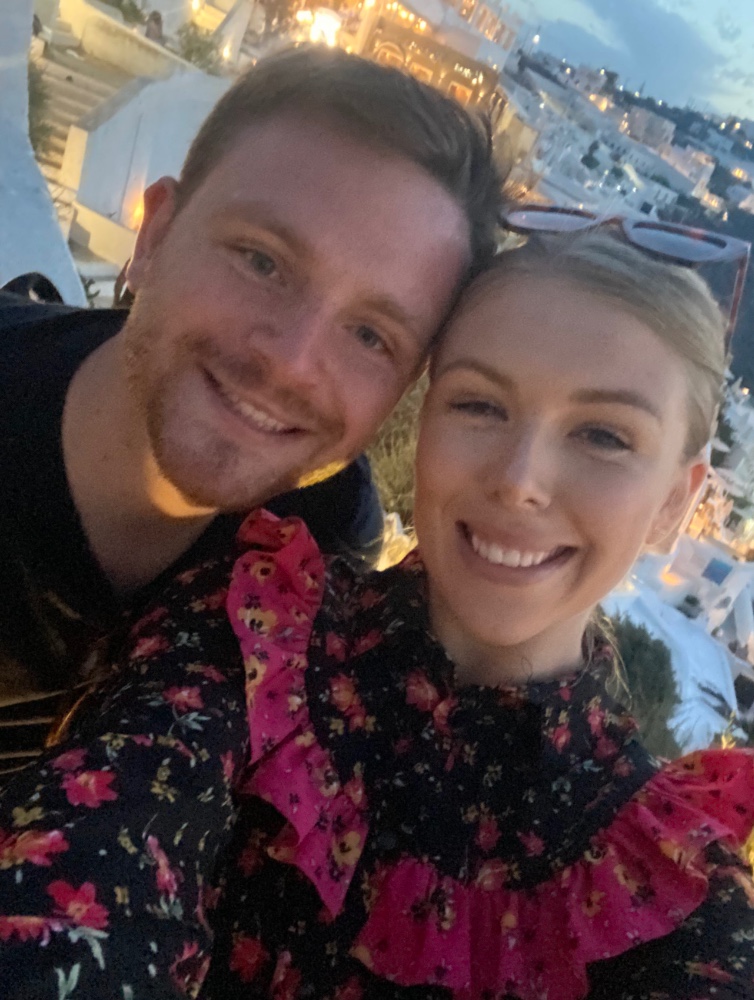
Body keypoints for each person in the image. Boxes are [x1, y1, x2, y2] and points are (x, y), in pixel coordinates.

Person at [5, 222, 752, 1000]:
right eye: (479, 404)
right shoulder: (252, 636)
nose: (519, 479)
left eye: (603, 435)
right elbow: (93, 855)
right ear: (424, 423)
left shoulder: (674, 888)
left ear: (675, 502)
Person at [0, 45, 501, 779]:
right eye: (261, 261)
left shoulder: (321, 539)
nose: (292, 361)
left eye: (370, 336)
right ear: (154, 236)